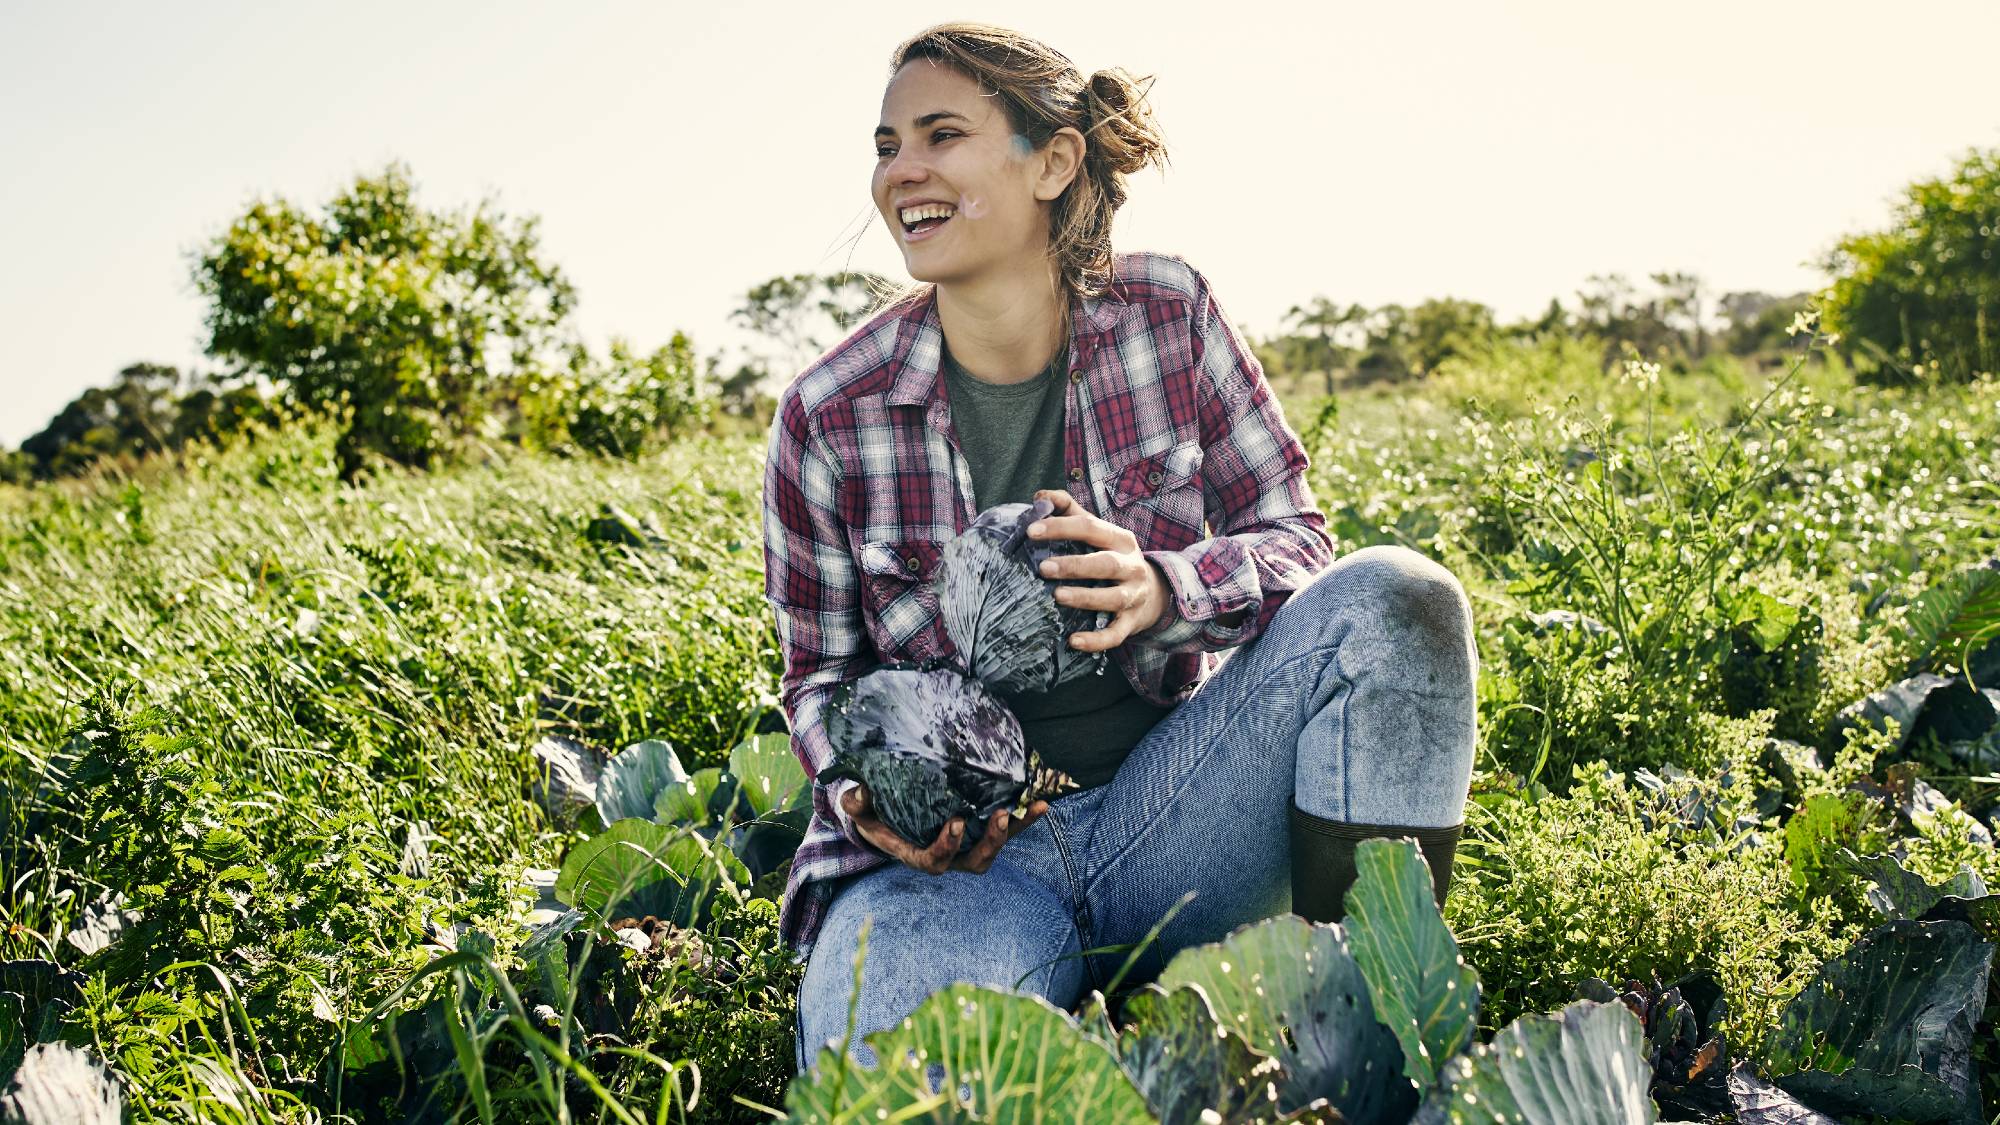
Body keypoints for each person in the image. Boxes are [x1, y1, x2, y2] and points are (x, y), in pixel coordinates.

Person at [761, 21, 1478, 1074]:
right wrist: (866, 795)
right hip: (963, 875)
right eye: (884, 144)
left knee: (1396, 599)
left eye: (941, 134)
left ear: (1050, 162)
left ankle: (1356, 1016)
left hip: (1175, 810)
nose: (899, 170)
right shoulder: (828, 412)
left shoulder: (1167, 313)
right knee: (892, 1084)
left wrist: (1163, 587)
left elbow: (1296, 538)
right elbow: (820, 676)